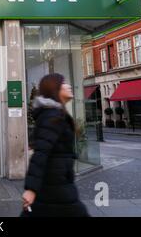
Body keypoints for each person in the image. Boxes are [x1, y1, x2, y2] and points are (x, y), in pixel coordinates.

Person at [21, 73, 89, 217]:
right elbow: (41, 153)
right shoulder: (53, 116)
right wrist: (31, 189)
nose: (69, 86)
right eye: (64, 82)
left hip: (55, 183)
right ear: (55, 88)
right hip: (56, 184)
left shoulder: (55, 114)